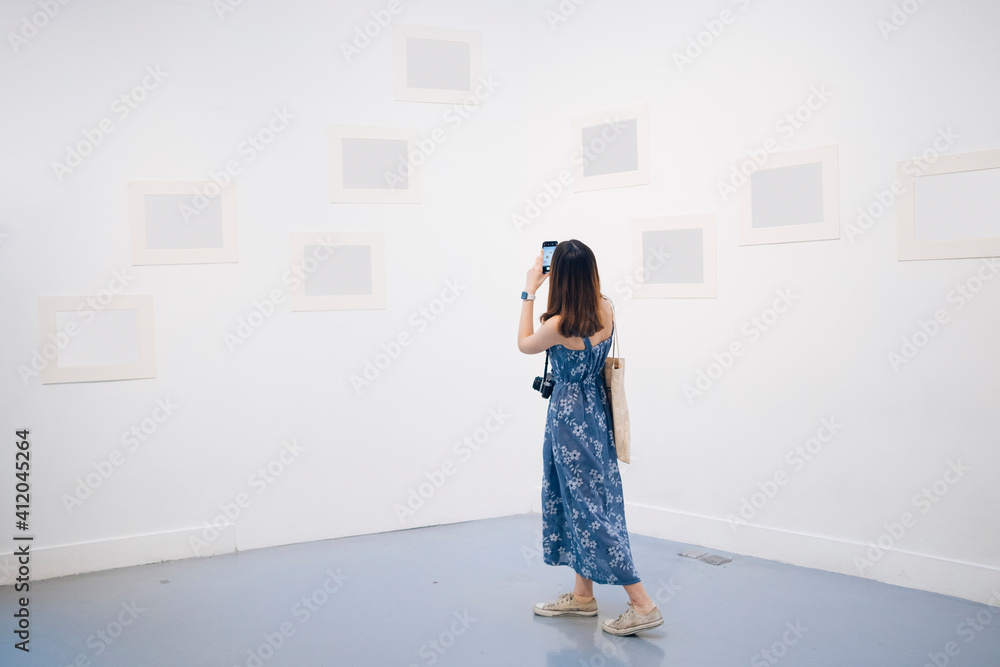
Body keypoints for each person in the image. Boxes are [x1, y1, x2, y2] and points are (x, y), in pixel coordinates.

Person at [517, 239, 663, 636]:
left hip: (568, 420)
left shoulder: (559, 325)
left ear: (559, 277)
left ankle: (642, 603)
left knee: (587, 510)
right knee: (591, 501)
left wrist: (530, 289)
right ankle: (583, 597)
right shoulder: (606, 308)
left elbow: (523, 344)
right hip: (597, 414)